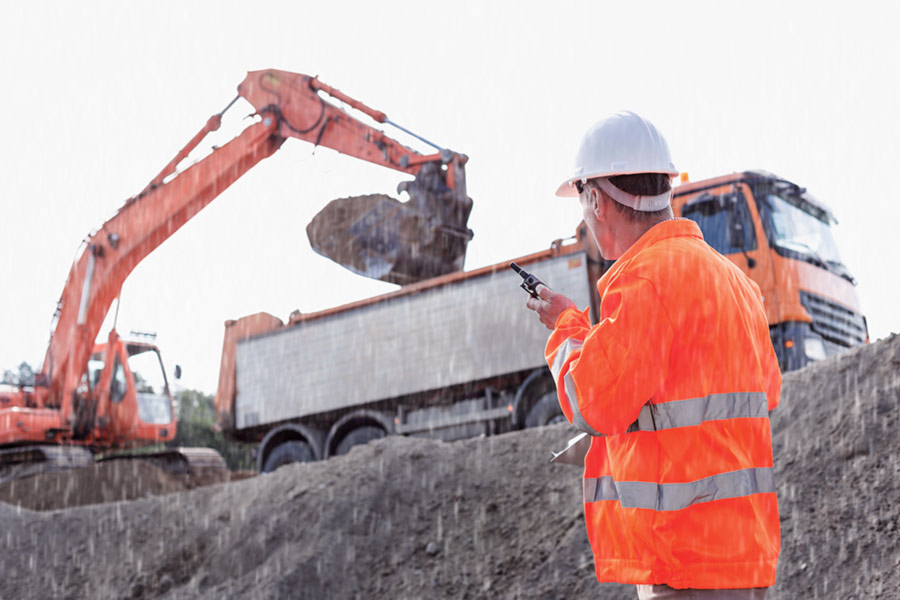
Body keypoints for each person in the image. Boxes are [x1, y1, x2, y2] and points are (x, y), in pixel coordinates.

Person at [525, 111, 781, 599]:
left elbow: (594, 404)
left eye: (582, 203)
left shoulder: (643, 281)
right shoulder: (735, 282)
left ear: (596, 199)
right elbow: (762, 393)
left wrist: (567, 325)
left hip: (685, 561)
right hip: (743, 553)